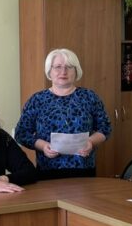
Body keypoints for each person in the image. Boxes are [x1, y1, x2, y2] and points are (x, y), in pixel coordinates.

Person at [14, 48, 112, 179]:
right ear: (49, 71)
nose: (63, 72)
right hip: (48, 170)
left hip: (83, 169)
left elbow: (105, 128)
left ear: (76, 70)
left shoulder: (89, 97)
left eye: (69, 67)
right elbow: (21, 133)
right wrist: (43, 146)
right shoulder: (37, 100)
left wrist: (91, 142)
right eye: (58, 67)